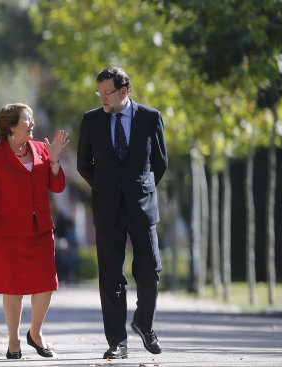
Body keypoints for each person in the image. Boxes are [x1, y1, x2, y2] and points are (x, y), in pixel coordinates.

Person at [77, 66, 168, 359]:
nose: (102, 98)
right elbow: (83, 164)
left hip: (142, 206)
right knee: (111, 277)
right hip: (107, 208)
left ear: (124, 91)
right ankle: (117, 342)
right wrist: (104, 187)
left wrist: (140, 188)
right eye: (99, 92)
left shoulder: (150, 118)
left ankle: (144, 323)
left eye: (107, 92)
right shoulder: (91, 120)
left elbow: (160, 162)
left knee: (150, 269)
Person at [0, 103, 69, 360]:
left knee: (46, 284)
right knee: (12, 287)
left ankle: (35, 333)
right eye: (27, 119)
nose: (32, 124)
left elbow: (57, 187)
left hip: (41, 231)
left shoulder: (41, 149)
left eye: (32, 118)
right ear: (11, 127)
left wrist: (55, 159)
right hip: (6, 233)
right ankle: (13, 339)